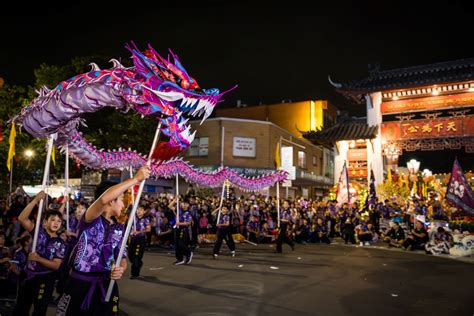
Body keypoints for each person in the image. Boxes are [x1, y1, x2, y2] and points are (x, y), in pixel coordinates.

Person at [56, 166, 150, 316]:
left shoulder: (119, 227)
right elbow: (103, 199)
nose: (124, 204)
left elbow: (121, 255)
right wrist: (136, 179)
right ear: (112, 201)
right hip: (80, 284)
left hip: (107, 284)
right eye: (121, 199)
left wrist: (121, 269)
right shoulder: (89, 219)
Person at [13, 191, 66, 316]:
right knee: (21, 308)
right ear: (45, 222)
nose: (56, 223)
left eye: (59, 221)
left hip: (45, 280)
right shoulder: (38, 232)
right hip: (28, 276)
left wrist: (38, 259)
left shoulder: (60, 243)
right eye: (53, 220)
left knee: (40, 310)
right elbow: (22, 218)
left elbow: (56, 265)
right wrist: (35, 201)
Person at [129, 205, 151, 279]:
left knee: (136, 256)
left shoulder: (145, 219)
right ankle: (139, 263)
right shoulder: (133, 218)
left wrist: (139, 232)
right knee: (130, 255)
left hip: (140, 240)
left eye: (141, 210)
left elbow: (148, 229)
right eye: (138, 209)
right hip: (133, 239)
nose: (139, 211)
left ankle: (135, 274)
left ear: (144, 211)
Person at [173, 199, 193, 266]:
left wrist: (180, 223)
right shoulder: (178, 210)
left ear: (188, 205)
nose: (184, 205)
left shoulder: (188, 213)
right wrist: (174, 200)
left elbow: (188, 223)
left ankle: (188, 252)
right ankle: (180, 259)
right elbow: (169, 206)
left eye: (185, 204)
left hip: (183, 229)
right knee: (176, 245)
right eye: (183, 203)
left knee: (181, 244)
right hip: (177, 229)